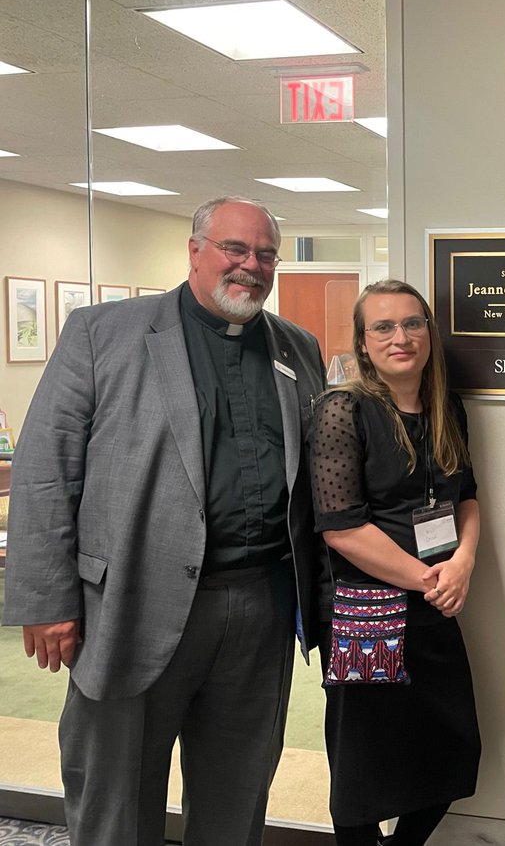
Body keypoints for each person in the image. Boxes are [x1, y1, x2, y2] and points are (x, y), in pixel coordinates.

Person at [2, 196, 326, 845]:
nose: (251, 266)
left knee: (237, 794)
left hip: (259, 609)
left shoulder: (298, 348)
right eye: (236, 249)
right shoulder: (103, 333)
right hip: (129, 605)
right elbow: (45, 468)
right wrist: (45, 598)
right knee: (114, 796)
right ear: (196, 250)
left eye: (265, 254)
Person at [309, 279, 481, 846]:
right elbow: (342, 529)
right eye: (382, 326)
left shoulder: (445, 407)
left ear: (428, 334)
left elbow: (469, 497)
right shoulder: (343, 410)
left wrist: (462, 564)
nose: (400, 337)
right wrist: (430, 578)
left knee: (450, 750)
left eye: (412, 323)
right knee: (363, 766)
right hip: (367, 612)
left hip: (434, 606)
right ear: (363, 343)